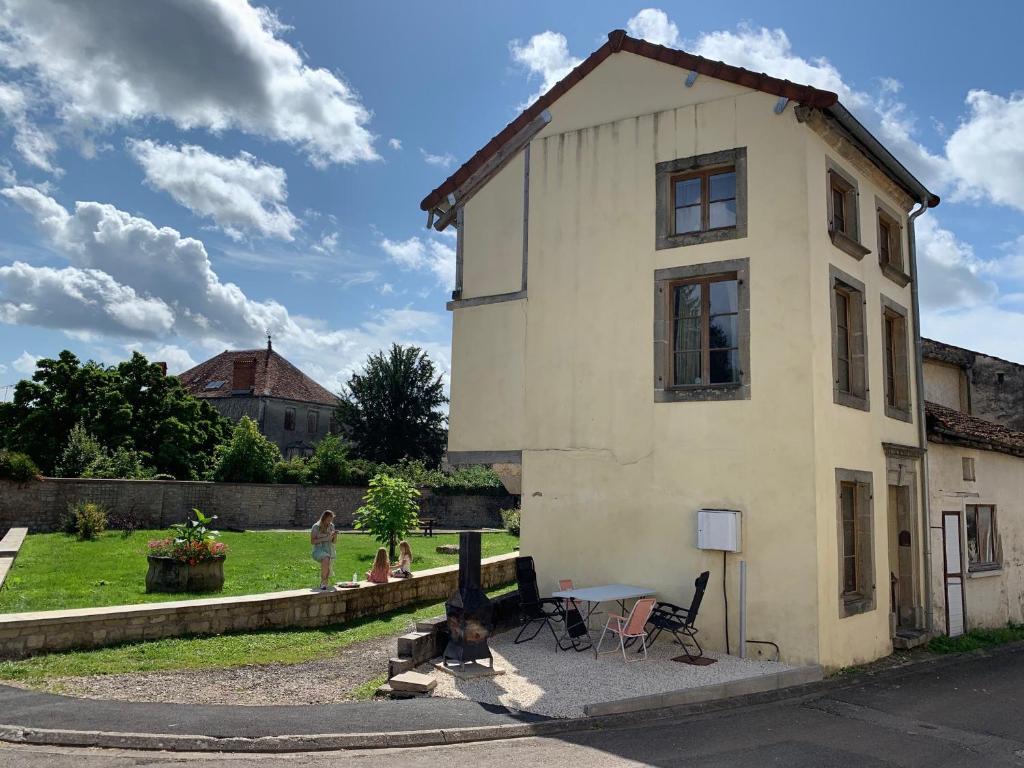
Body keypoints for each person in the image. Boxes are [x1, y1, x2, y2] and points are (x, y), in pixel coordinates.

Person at [310, 510, 337, 590]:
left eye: (331, 520)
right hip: (318, 550)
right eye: (328, 520)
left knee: (327, 567)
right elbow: (312, 541)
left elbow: (334, 542)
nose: (330, 522)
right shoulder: (316, 526)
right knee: (326, 558)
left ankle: (324, 585)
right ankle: (323, 583)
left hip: (329, 550)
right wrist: (326, 538)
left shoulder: (331, 526)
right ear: (324, 518)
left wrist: (335, 536)